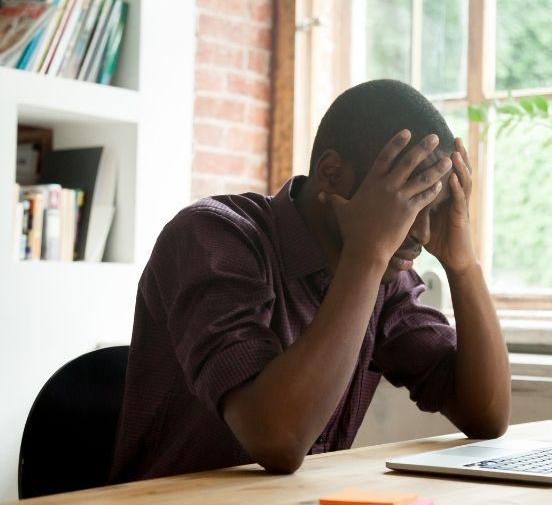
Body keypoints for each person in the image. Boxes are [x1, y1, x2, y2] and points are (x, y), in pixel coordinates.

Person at [109, 79, 511, 483]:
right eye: (404, 199)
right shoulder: (212, 236)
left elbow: (486, 417)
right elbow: (276, 440)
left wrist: (464, 265)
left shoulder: (385, 276)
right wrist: (366, 256)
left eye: (431, 206)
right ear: (332, 173)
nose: (422, 232)